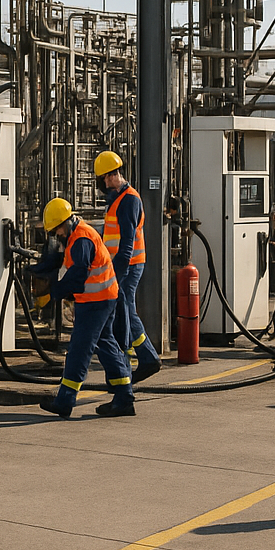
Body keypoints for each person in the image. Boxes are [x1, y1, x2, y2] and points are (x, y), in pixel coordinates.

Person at [31, 198, 133, 418]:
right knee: (105, 344)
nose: (55, 235)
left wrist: (56, 291)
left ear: (64, 223)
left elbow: (78, 274)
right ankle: (124, 397)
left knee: (79, 348)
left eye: (56, 230)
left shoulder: (80, 239)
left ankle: (65, 400)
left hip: (96, 301)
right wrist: (36, 268)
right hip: (102, 298)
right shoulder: (76, 234)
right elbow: (60, 260)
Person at [94, 151, 162, 384]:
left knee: (124, 308)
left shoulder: (129, 200)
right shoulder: (118, 199)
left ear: (113, 175)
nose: (104, 184)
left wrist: (114, 274)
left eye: (104, 179)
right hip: (121, 265)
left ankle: (143, 357)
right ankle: (142, 357)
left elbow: (126, 244)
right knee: (124, 309)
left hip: (128, 265)